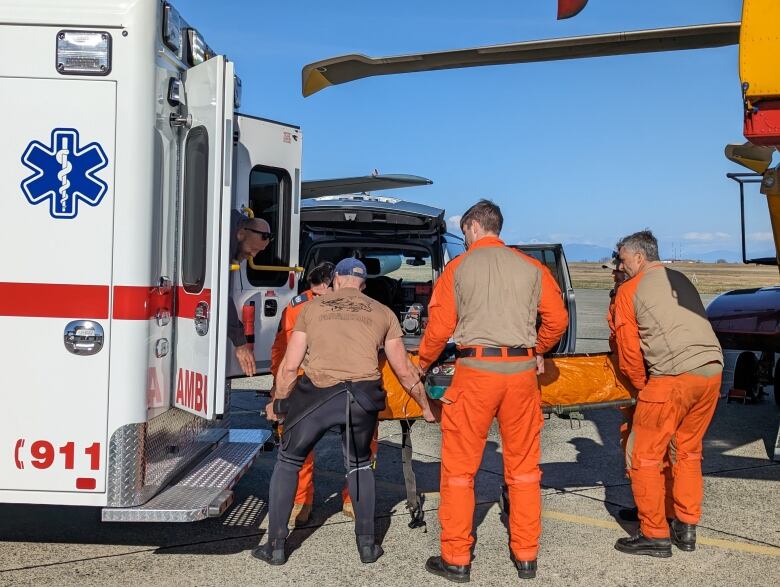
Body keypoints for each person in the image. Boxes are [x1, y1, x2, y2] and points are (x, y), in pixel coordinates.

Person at [417, 200, 568, 582]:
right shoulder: (531, 266)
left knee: (459, 472)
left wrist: (421, 364)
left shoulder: (458, 267)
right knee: (524, 469)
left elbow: (438, 328)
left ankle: (456, 558)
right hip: (520, 374)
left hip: (476, 373)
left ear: (470, 227)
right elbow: (558, 319)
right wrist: (537, 350)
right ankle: (526, 555)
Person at [253, 258, 436, 566]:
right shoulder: (383, 313)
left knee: (288, 461)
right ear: (362, 285)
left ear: (336, 280)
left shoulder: (310, 309)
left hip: (317, 396)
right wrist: (426, 407)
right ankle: (367, 547)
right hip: (361, 398)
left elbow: (289, 365)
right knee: (360, 466)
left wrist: (279, 404)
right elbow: (404, 371)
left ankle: (275, 547)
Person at [612, 230, 723, 558]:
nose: (620, 264)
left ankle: (654, 533)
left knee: (642, 454)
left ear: (639, 258)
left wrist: (641, 388)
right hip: (712, 370)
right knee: (687, 451)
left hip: (672, 376)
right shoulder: (681, 280)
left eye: (622, 258)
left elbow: (629, 352)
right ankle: (685, 526)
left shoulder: (629, 290)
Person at [267, 261, 335, 527]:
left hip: (339, 378)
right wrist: (278, 383)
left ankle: (353, 498)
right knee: (296, 442)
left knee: (361, 440)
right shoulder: (296, 308)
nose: (318, 299)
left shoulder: (351, 306)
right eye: (315, 294)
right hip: (303, 379)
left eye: (324, 294)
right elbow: (280, 347)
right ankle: (301, 499)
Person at [228, 210, 273, 376]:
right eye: (253, 249)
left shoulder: (235, 227)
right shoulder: (223, 239)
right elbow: (220, 297)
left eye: (258, 252)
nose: (252, 255)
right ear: (240, 234)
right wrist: (240, 344)